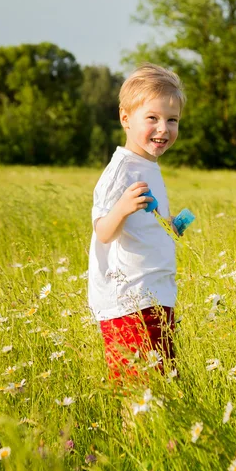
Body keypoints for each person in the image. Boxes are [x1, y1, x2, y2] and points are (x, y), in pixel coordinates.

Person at [88, 63, 186, 382]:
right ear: (125, 118)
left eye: (172, 120)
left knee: (164, 389)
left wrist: (169, 224)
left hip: (157, 295)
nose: (163, 129)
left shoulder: (148, 167)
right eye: (153, 118)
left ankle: (158, 435)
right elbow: (103, 231)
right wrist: (122, 208)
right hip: (129, 302)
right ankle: (137, 435)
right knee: (140, 392)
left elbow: (145, 220)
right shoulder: (121, 171)